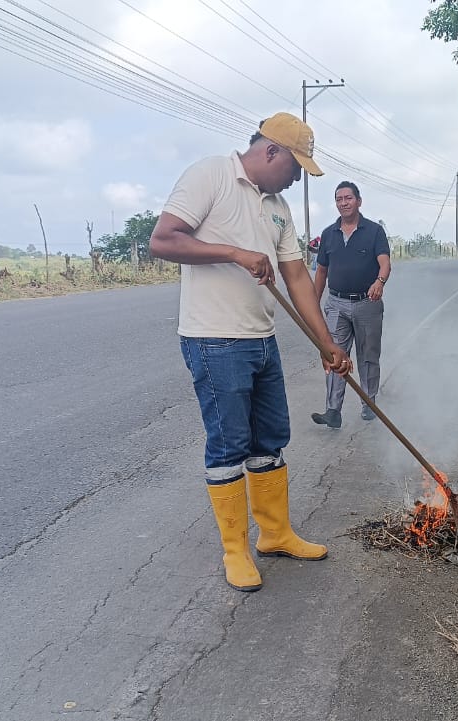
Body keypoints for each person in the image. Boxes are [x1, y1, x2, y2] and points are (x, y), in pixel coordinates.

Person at [149, 112, 353, 593]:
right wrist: (234, 253)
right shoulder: (211, 175)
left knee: (270, 440)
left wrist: (327, 344)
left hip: (262, 338)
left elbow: (297, 278)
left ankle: (275, 534)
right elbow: (162, 240)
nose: (297, 177)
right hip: (214, 338)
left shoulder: (278, 207)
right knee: (229, 445)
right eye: (295, 167)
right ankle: (235, 551)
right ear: (270, 151)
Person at [310, 181, 391, 429]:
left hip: (367, 303)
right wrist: (312, 302)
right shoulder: (328, 234)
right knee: (334, 354)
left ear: (358, 201)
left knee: (368, 356)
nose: (343, 203)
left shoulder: (374, 231)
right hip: (336, 303)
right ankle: (333, 410)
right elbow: (321, 271)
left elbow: (385, 263)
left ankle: (369, 403)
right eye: (339, 199)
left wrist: (379, 282)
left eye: (348, 198)